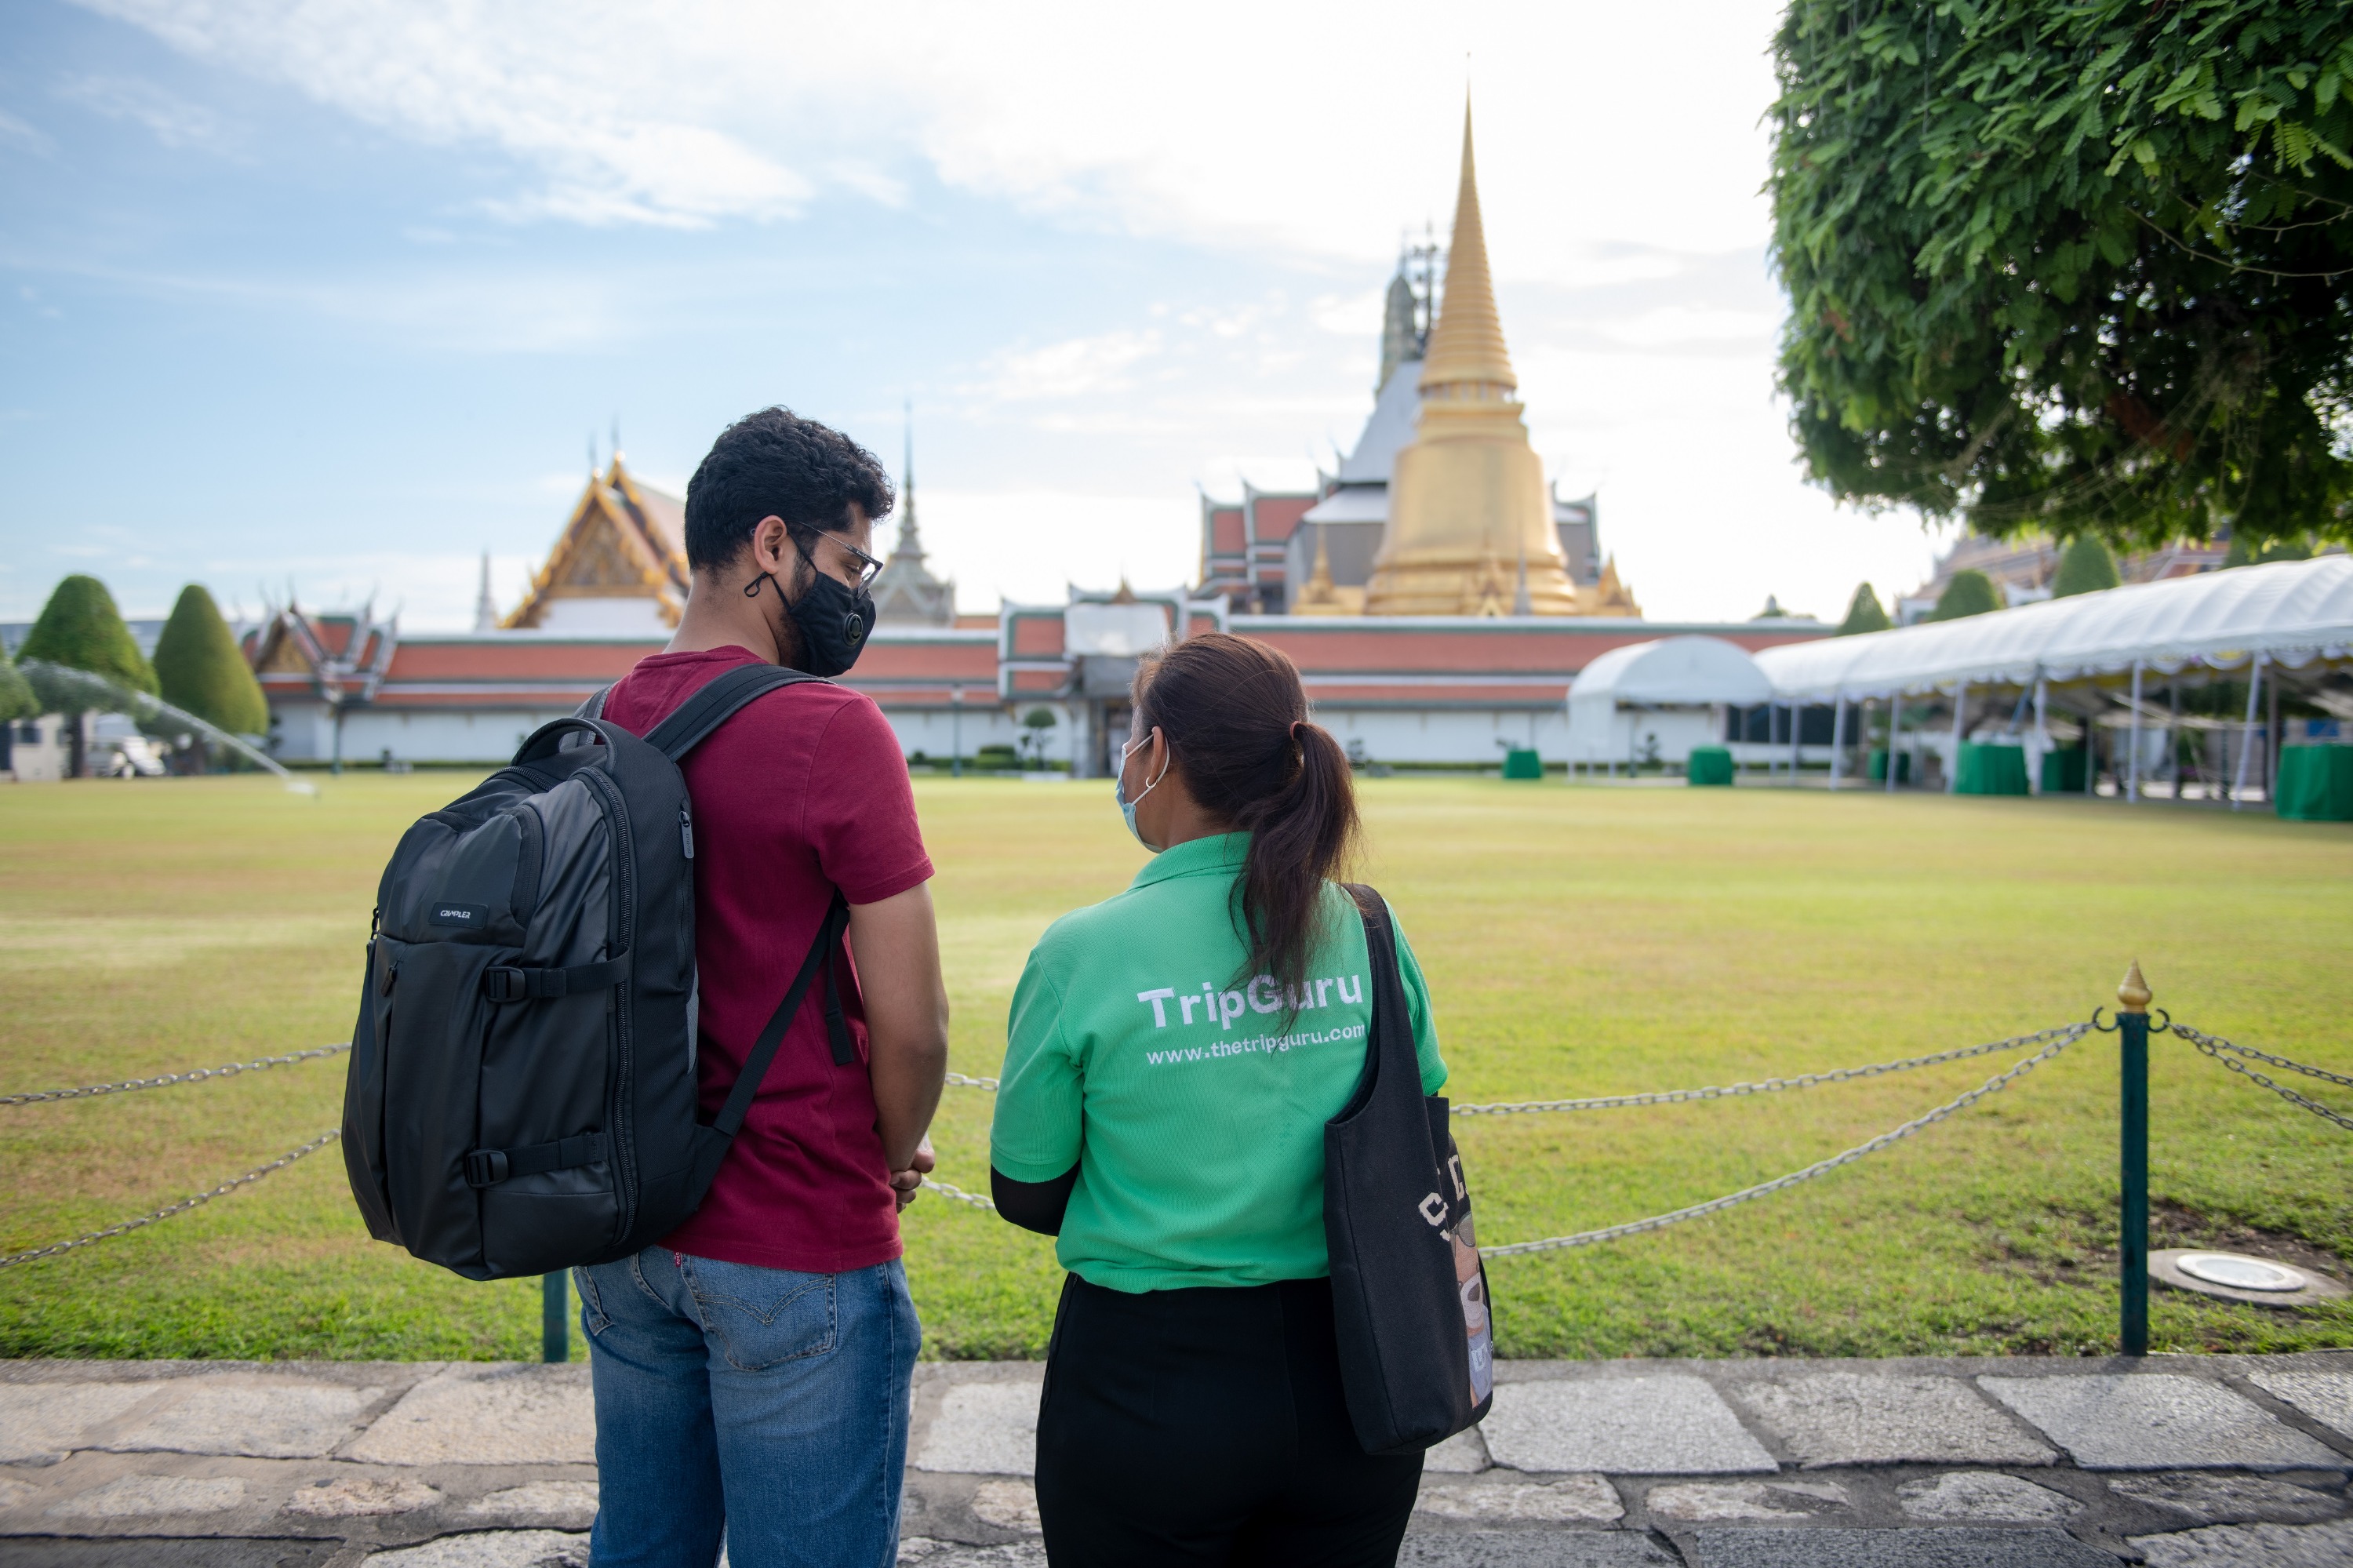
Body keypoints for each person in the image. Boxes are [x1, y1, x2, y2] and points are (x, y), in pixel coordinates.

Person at [578, 407, 950, 1568]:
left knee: (645, 1548)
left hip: (631, 1226)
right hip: (796, 1233)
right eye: (848, 563)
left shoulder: (603, 719)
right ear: (774, 546)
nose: (857, 595)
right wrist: (892, 1144)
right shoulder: (832, 730)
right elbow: (915, 1021)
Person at [989, 631, 1449, 1567]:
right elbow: (1420, 1125)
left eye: (1131, 737)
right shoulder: (1367, 925)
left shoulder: (1082, 951)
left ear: (1156, 756)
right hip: (1359, 1372)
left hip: (1149, 1385)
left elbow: (1024, 1190)